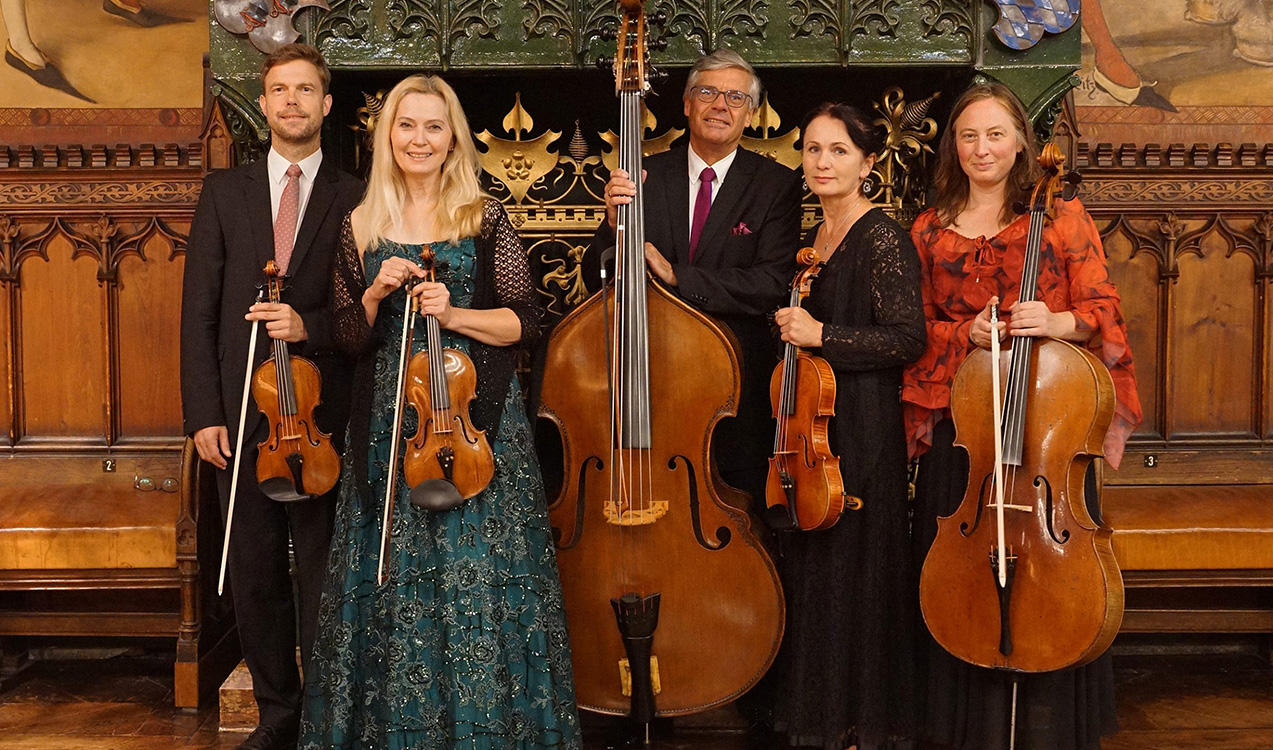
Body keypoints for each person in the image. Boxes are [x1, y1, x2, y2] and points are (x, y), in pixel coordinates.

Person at [298, 73, 580, 749]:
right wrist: (371, 295)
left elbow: (527, 323)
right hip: (389, 424)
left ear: (452, 136)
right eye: (405, 125)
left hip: (474, 421)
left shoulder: (481, 217)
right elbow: (345, 338)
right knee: (393, 573)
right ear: (386, 135)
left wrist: (454, 313)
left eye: (432, 126)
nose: (417, 139)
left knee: (477, 568)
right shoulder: (359, 225)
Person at [901, 82, 1142, 750]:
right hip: (968, 422)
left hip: (1049, 425)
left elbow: (1105, 313)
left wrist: (1056, 319)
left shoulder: (1059, 213)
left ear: (1020, 143)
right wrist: (964, 338)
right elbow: (912, 327)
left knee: (1054, 567)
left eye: (995, 134)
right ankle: (959, 725)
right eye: (968, 135)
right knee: (959, 565)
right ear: (954, 145)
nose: (982, 148)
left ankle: (1048, 726)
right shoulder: (928, 224)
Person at [181, 43, 364, 750]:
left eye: (305, 90)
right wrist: (203, 414)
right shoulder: (224, 194)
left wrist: (307, 325)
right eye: (279, 90)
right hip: (241, 418)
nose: (291, 102)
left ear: (325, 104)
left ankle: (323, 714)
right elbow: (198, 311)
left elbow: (363, 316)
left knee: (322, 574)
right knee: (254, 575)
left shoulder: (355, 196)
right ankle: (277, 713)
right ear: (263, 105)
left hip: (324, 419)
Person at [767, 103, 927, 750]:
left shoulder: (880, 235)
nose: (821, 162)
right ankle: (823, 719)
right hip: (818, 430)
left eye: (837, 151)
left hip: (860, 430)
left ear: (867, 163)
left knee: (858, 573)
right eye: (811, 150)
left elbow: (906, 338)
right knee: (820, 571)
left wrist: (820, 334)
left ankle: (864, 722)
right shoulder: (816, 234)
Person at [592, 48, 803, 506]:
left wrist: (678, 276)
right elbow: (597, 278)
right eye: (707, 92)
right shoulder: (645, 174)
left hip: (731, 387)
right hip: (648, 374)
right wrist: (612, 226)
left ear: (751, 113)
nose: (720, 105)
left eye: (734, 97)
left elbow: (770, 284)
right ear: (686, 104)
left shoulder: (776, 185)